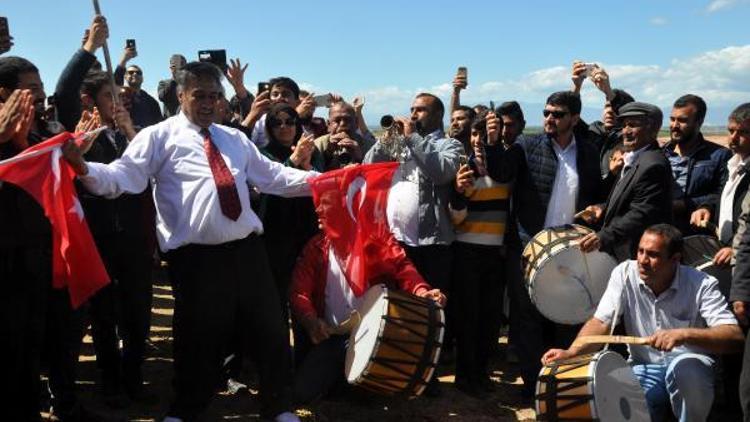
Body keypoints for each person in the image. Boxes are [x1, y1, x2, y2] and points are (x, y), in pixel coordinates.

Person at [61, 61, 314, 422]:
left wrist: (324, 180)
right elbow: (124, 177)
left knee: (269, 330)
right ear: (181, 96)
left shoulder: (235, 138)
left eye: (215, 96)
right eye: (200, 95)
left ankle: (279, 408)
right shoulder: (158, 137)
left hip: (247, 250)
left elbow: (272, 177)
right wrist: (84, 169)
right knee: (198, 337)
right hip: (195, 259)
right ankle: (186, 410)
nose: (209, 103)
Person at [543, 224, 743, 422]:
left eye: (653, 255)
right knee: (615, 402)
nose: (643, 261)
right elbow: (601, 322)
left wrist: (684, 335)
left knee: (687, 371)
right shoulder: (624, 273)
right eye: (640, 251)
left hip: (691, 367)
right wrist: (572, 352)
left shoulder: (702, 284)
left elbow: (733, 336)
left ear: (675, 259)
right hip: (643, 365)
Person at [483, 90, 603, 397]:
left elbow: (596, 193)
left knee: (566, 316)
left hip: (572, 251)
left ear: (574, 118)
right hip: (529, 248)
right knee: (527, 319)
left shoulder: (589, 152)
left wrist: (596, 209)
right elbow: (501, 172)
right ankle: (533, 387)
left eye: (558, 114)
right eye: (547, 113)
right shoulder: (527, 145)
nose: (550, 118)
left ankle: (560, 386)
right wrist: (493, 143)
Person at [289, 227, 446, 403]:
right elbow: (299, 292)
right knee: (301, 393)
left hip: (376, 338)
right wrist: (311, 320)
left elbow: (403, 268)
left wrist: (423, 292)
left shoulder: (379, 239)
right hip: (334, 338)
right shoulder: (316, 246)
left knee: (375, 399)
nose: (320, 220)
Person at [449, 116, 509, 397]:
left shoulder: (506, 167)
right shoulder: (466, 167)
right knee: (468, 316)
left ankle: (481, 374)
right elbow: (456, 219)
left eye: (485, 133)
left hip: (496, 253)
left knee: (489, 318)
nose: (478, 139)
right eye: (475, 133)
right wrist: (458, 194)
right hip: (467, 251)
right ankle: (465, 376)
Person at [579, 102, 674, 262]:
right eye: (623, 125)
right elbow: (628, 199)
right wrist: (603, 208)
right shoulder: (634, 158)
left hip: (639, 256)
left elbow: (641, 213)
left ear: (652, 129)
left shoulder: (652, 165)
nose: (625, 131)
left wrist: (604, 236)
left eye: (632, 125)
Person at [665, 94, 731, 235]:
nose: (674, 126)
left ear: (699, 122)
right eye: (672, 119)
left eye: (682, 120)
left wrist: (688, 205)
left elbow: (723, 194)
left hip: (694, 233)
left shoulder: (719, 156)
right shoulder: (660, 154)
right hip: (659, 231)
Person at [243, 76, 316, 148]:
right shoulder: (258, 122)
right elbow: (241, 145)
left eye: (286, 94)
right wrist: (251, 117)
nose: (280, 98)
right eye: (275, 94)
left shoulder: (304, 133)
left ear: (297, 102)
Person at [313, 101, 374, 170]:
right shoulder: (317, 146)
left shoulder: (370, 147)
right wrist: (327, 154)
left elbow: (376, 174)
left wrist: (360, 159)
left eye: (348, 120)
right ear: (328, 124)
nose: (342, 124)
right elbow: (312, 175)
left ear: (357, 123)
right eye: (337, 120)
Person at [114, 46, 163, 129]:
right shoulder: (119, 95)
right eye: (130, 72)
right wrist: (124, 59)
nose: (135, 74)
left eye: (138, 72)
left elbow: (159, 124)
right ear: (125, 76)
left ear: (143, 78)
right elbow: (115, 81)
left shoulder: (151, 101)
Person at [157, 53, 185, 118]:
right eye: (176, 65)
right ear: (171, 67)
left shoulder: (190, 85)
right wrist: (174, 78)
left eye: (182, 64)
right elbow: (162, 97)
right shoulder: (163, 83)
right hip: (171, 122)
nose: (180, 67)